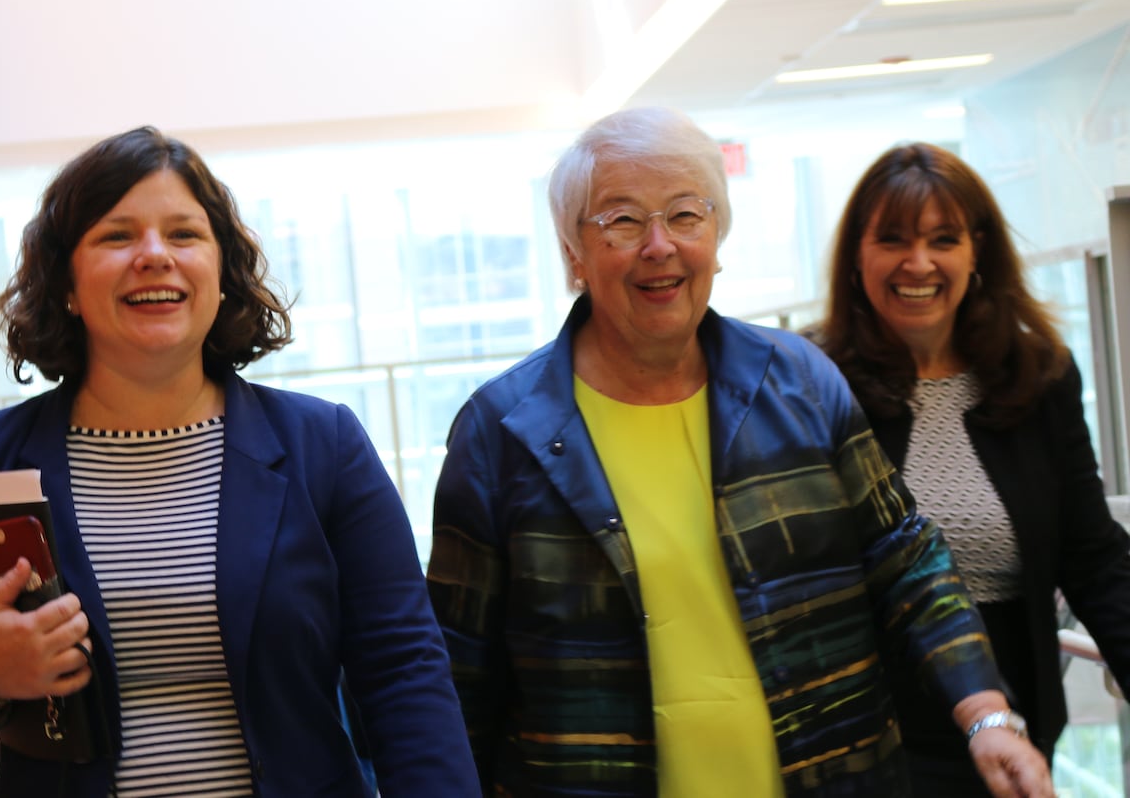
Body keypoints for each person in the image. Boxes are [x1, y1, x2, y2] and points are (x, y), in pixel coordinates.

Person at [426, 107, 1056, 797]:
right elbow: (459, 669)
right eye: (623, 220)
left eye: (686, 215)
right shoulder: (500, 431)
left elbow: (906, 560)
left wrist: (985, 711)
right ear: (574, 253)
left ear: (717, 237)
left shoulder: (799, 383)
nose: (659, 246)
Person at [0, 126, 474, 797]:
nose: (154, 255)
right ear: (66, 281)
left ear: (221, 275)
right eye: (117, 236)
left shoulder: (322, 446)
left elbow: (404, 671)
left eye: (184, 234)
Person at [817, 141, 1130, 794]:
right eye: (894, 239)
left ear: (977, 251)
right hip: (867, 724)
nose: (919, 262)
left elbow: (1093, 554)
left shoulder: (1040, 376)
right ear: (857, 257)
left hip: (1017, 717)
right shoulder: (816, 386)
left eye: (944, 238)